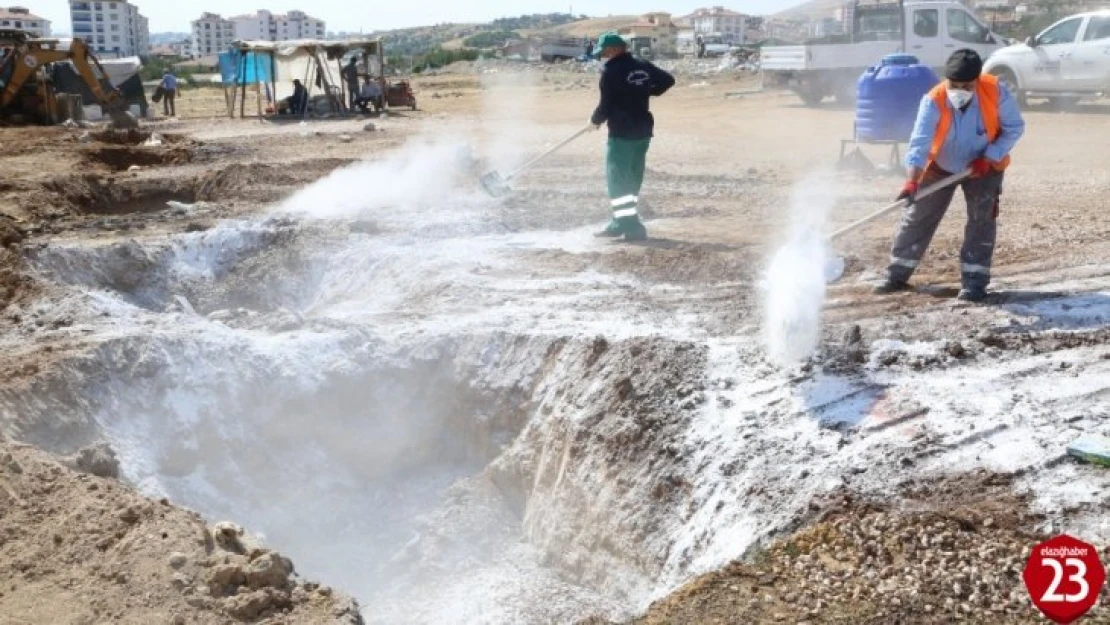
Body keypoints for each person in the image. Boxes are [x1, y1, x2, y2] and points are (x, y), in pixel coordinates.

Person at [875, 49, 1025, 302]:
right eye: (954, 84)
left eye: (966, 85)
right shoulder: (934, 99)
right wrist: (913, 180)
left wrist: (990, 156)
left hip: (984, 168)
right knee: (917, 217)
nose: (959, 90)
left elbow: (1014, 128)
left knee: (981, 222)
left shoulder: (995, 91)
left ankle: (974, 283)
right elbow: (920, 143)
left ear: (977, 80)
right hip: (940, 167)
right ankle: (896, 274)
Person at [589, 32, 675, 241]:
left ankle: (629, 226)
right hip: (643, 131)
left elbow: (606, 104)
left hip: (622, 133)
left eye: (605, 51)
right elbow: (668, 80)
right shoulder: (642, 64)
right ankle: (624, 223)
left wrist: (595, 120)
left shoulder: (610, 71)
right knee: (633, 178)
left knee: (618, 181)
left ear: (615, 49)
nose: (604, 55)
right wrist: (645, 90)